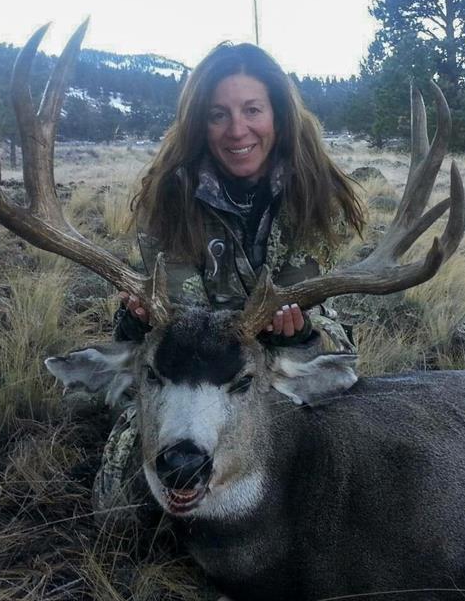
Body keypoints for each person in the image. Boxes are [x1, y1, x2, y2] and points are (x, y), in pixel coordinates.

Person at [93, 42, 367, 528]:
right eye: (218, 115)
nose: (237, 130)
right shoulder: (169, 200)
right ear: (199, 124)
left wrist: (300, 335)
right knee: (121, 508)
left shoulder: (317, 201)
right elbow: (180, 326)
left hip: (272, 371)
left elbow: (327, 328)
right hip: (190, 373)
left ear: (278, 116)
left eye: (252, 110)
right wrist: (139, 321)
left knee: (330, 483)